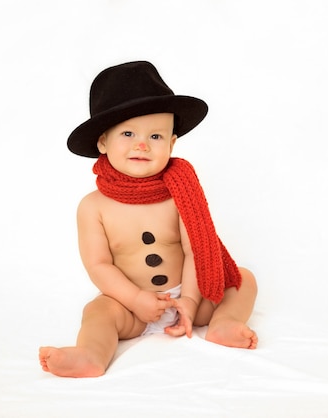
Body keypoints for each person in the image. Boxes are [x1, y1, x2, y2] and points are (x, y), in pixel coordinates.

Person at [39, 61, 258, 378]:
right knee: (97, 311)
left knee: (242, 279)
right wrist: (136, 300)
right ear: (103, 142)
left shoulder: (180, 193)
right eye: (128, 133)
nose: (141, 144)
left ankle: (224, 324)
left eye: (156, 136)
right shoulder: (93, 207)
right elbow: (99, 265)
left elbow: (196, 249)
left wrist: (191, 301)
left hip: (187, 295)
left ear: (171, 144)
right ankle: (91, 353)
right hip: (131, 307)